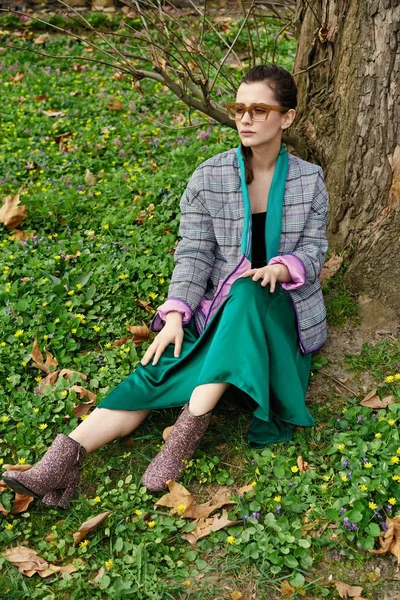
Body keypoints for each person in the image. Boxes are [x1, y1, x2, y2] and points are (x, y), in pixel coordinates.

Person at [3, 65, 329, 508]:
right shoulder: (209, 177)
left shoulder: (309, 180)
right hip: (219, 306)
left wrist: (282, 268)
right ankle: (64, 458)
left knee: (251, 292)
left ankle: (181, 440)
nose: (246, 119)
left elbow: (314, 249)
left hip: (279, 309)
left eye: (259, 109)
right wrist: (176, 314)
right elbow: (193, 254)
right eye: (239, 109)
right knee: (160, 365)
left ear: (286, 118)